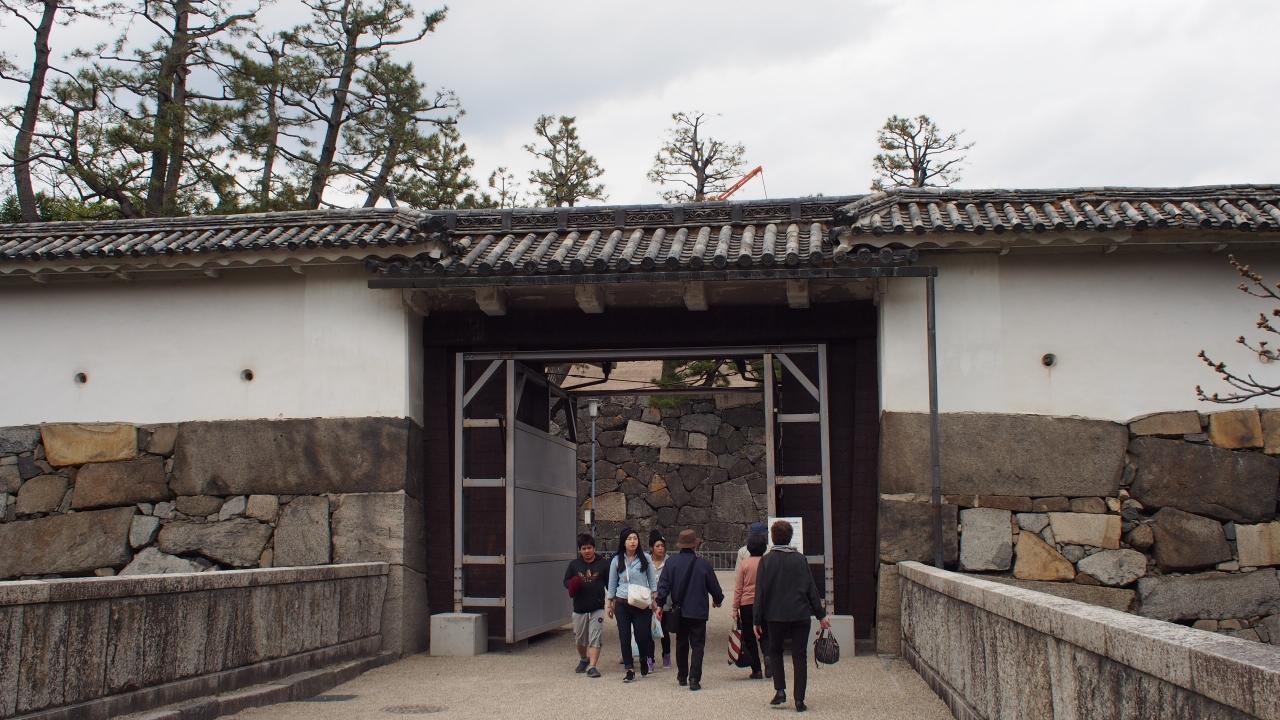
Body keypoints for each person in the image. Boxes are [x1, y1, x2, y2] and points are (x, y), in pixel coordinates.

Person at [754, 519, 830, 713]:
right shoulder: (800, 559)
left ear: (772, 537)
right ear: (790, 537)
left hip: (775, 614)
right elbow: (811, 589)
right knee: (799, 655)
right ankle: (799, 699)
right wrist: (821, 615)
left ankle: (780, 690)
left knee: (775, 651)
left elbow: (760, 592)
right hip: (800, 613)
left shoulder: (766, 561)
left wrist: (757, 619)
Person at [654, 529, 723, 692]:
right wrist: (717, 600)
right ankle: (694, 678)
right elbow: (715, 588)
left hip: (679, 610)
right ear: (694, 545)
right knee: (698, 645)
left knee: (681, 642)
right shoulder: (703, 564)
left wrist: (659, 604)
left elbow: (663, 586)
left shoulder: (671, 563)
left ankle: (682, 675)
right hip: (698, 610)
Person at [606, 527, 658, 683]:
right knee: (624, 636)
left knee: (643, 635)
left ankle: (643, 657)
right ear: (623, 542)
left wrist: (654, 599)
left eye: (635, 538)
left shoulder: (645, 558)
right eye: (629, 539)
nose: (632, 541)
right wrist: (610, 603)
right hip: (622, 602)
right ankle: (629, 668)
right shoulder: (616, 560)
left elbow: (652, 580)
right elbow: (612, 583)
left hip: (641, 603)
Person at [564, 532, 609, 678]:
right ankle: (584, 659)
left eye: (589, 548)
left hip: (597, 607)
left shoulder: (603, 564)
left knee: (595, 636)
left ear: (594, 548)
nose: (587, 551)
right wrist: (572, 584)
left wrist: (612, 602)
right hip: (580, 607)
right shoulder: (574, 565)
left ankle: (592, 666)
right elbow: (565, 581)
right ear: (579, 550)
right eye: (583, 548)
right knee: (580, 639)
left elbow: (610, 583)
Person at [733, 532, 768, 679]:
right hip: (765, 602)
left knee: (749, 637)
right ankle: (768, 656)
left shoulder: (744, 564)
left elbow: (739, 587)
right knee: (765, 633)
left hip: (746, 604)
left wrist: (735, 607)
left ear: (748, 547)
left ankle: (756, 669)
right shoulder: (767, 562)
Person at [649, 529, 672, 671]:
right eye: (657, 546)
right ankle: (649, 658)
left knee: (664, 631)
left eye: (662, 546)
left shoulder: (669, 561)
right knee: (648, 632)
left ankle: (666, 655)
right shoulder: (646, 561)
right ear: (652, 547)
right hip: (648, 602)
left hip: (665, 603)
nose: (660, 548)